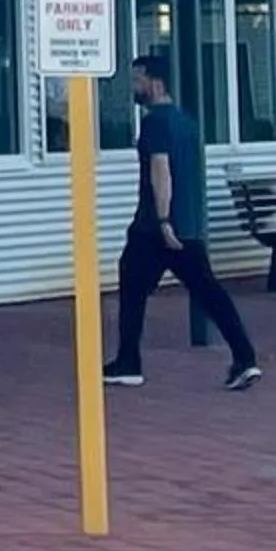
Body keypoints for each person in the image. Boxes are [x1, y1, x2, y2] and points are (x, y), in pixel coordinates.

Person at [102, 51, 262, 390]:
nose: (134, 86)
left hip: (156, 227)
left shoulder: (156, 122)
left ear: (156, 84)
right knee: (208, 291)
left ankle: (129, 362)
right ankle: (245, 358)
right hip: (186, 226)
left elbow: (161, 170)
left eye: (138, 80)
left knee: (132, 286)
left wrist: (162, 220)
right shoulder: (187, 123)